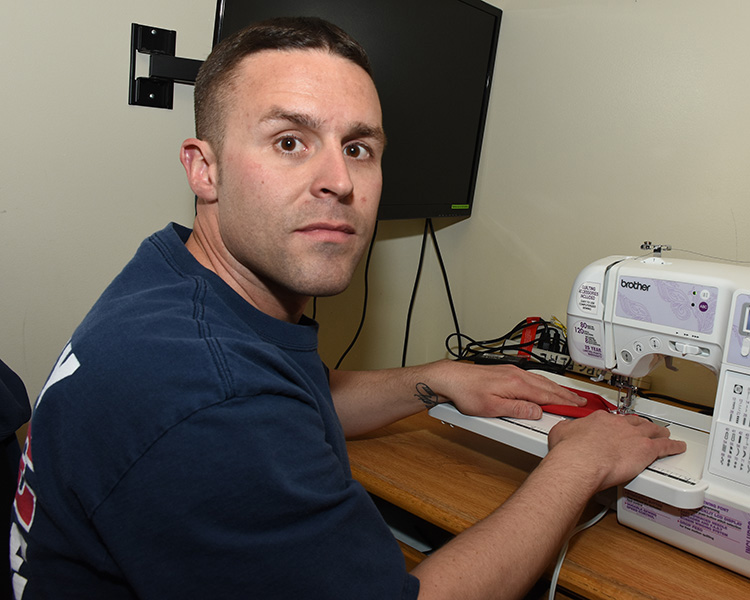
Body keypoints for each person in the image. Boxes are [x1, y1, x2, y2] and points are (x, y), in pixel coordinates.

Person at [10, 16, 685, 600]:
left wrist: (432, 382)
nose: (339, 180)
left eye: (359, 148)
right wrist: (578, 466)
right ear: (203, 167)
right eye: (290, 141)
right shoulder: (206, 399)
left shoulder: (175, 276)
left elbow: (291, 395)